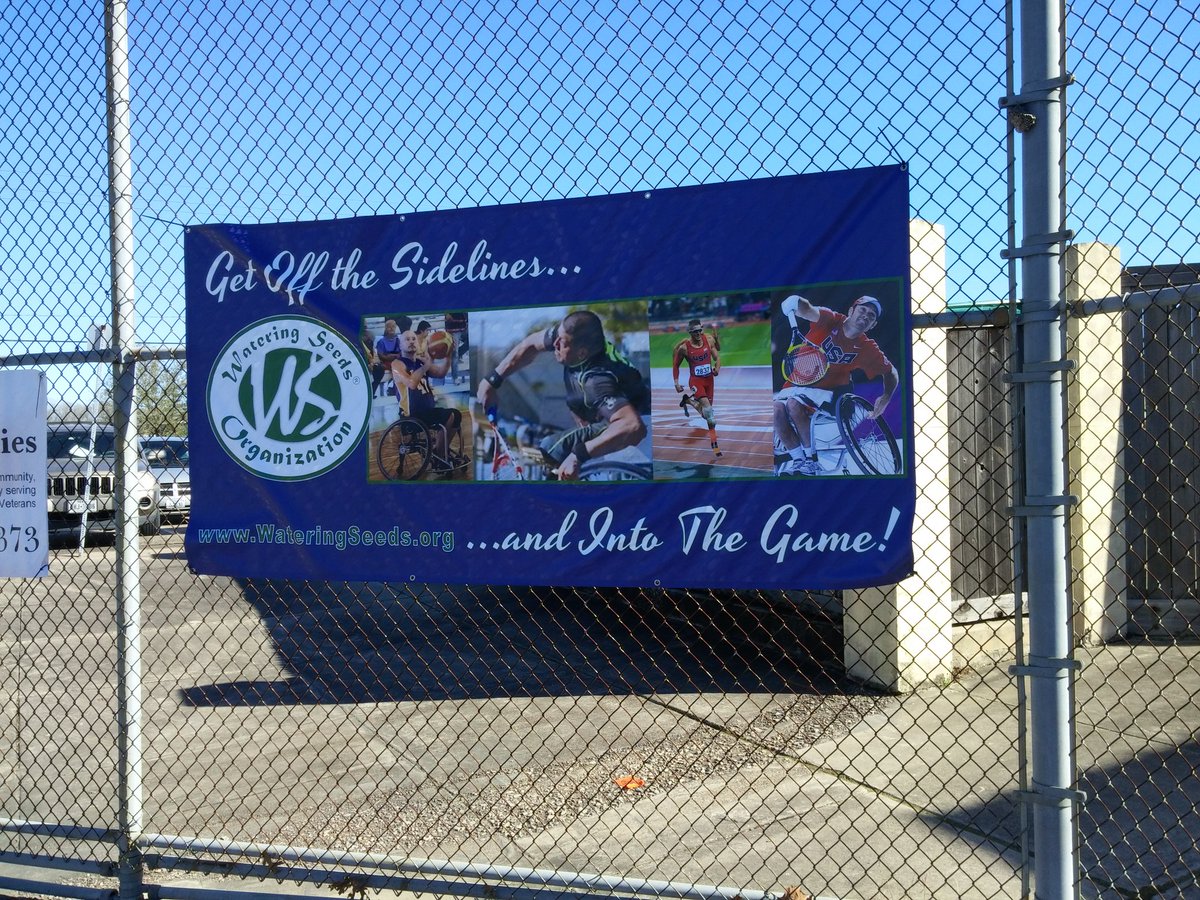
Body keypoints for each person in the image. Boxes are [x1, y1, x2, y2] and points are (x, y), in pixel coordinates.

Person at [475, 309, 650, 480]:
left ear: (582, 353)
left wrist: (578, 456)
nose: (555, 344)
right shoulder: (571, 339)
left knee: (551, 447)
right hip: (615, 417)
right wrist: (493, 380)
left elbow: (633, 427)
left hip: (632, 429)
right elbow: (530, 344)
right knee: (554, 451)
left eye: (562, 343)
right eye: (556, 337)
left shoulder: (596, 381)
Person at [774, 294, 898, 476]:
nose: (866, 315)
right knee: (776, 410)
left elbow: (891, 372)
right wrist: (796, 301)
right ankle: (799, 460)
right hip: (796, 384)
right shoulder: (830, 319)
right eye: (863, 310)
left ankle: (811, 461)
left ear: (873, 325)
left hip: (829, 394)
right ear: (851, 311)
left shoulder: (867, 347)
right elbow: (807, 309)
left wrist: (886, 396)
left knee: (794, 404)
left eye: (871, 316)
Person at [391, 329, 462, 472]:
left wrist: (448, 356)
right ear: (400, 345)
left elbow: (441, 373)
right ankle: (440, 455)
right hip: (411, 416)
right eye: (407, 339)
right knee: (448, 416)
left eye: (413, 339)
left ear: (418, 343)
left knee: (457, 415)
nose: (411, 341)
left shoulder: (421, 362)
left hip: (427, 412)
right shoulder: (397, 364)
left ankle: (439, 452)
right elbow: (411, 383)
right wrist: (426, 365)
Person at [672, 318, 723, 457]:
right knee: (710, 414)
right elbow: (676, 366)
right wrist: (676, 383)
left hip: (709, 381)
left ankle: (688, 401)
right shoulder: (684, 348)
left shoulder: (709, 340)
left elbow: (717, 357)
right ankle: (715, 444)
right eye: (695, 332)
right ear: (690, 332)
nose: (698, 333)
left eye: (700, 330)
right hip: (696, 382)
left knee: (707, 416)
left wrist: (717, 369)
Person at [374, 319, 406, 396]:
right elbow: (381, 355)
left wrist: (394, 356)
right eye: (389, 327)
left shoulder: (398, 340)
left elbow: (401, 353)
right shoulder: (381, 341)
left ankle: (399, 390)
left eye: (393, 327)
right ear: (386, 328)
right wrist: (389, 357)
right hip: (386, 363)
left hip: (397, 362)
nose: (391, 329)